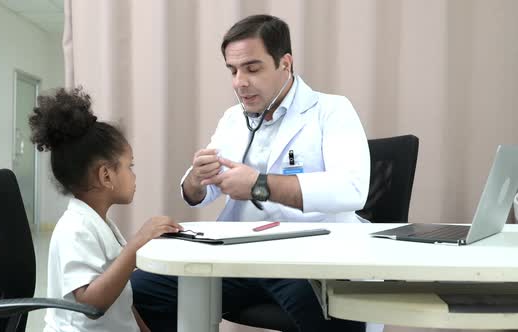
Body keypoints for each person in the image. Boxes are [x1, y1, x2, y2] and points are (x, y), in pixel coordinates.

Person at [131, 14, 370, 331]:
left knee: (337, 317)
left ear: (285, 63)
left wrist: (260, 185)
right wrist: (196, 180)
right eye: (233, 70)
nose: (239, 82)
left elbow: (352, 189)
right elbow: (201, 193)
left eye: (252, 68)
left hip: (305, 261)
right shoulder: (233, 118)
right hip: (239, 257)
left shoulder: (331, 110)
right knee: (142, 288)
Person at [30, 87, 183, 332]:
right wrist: (138, 243)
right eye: (129, 166)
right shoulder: (75, 229)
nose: (134, 176)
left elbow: (121, 298)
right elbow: (92, 304)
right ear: (106, 176)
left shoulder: (99, 224)